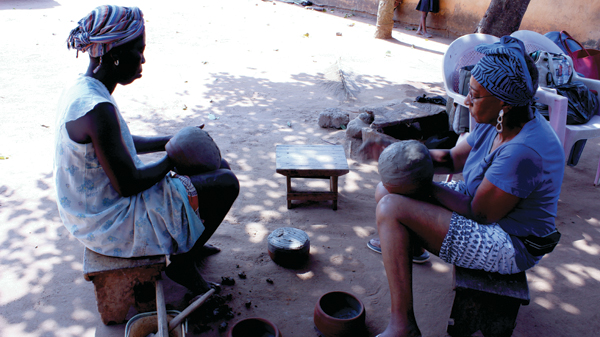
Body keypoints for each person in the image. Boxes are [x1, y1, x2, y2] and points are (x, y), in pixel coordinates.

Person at [372, 36, 564, 337]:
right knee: (388, 188)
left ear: (503, 102)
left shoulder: (524, 152)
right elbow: (451, 159)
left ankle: (403, 326)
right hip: (485, 206)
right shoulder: (499, 120)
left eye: (474, 95)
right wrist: (405, 155)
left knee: (392, 205)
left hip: (510, 240)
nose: (467, 100)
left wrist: (420, 183)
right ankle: (412, 244)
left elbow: (481, 213)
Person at [54, 5, 239, 295]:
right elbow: (128, 184)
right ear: (114, 55)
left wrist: (171, 139)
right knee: (226, 183)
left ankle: (192, 243)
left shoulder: (85, 88)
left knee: (219, 168)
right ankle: (183, 262)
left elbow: (118, 143)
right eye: (138, 51)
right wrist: (173, 156)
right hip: (108, 222)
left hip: (91, 210)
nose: (143, 59)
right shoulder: (96, 108)